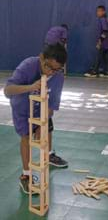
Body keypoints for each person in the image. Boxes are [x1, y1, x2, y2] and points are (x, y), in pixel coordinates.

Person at [4, 43, 68, 194]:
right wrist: (30, 87)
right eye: (49, 67)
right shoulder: (28, 66)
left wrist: (41, 125)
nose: (51, 72)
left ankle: (50, 154)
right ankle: (26, 176)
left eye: (57, 69)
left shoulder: (58, 77)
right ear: (41, 58)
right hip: (22, 108)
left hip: (42, 108)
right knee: (26, 138)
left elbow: (52, 106)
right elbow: (7, 91)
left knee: (47, 128)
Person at [84, 5, 108, 78]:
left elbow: (105, 31)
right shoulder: (105, 19)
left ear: (103, 11)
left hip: (103, 43)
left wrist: (100, 41)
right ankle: (107, 72)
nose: (97, 12)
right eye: (97, 11)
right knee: (106, 58)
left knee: (98, 57)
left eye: (99, 11)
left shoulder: (102, 19)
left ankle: (94, 71)